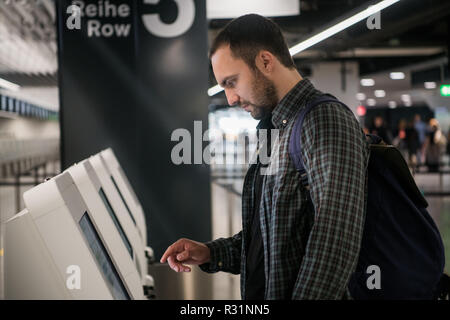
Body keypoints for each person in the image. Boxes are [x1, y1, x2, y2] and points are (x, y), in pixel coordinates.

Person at [160, 14, 369, 300]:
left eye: (231, 82)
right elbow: (269, 241)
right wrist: (210, 252)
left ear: (265, 62)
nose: (230, 98)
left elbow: (334, 244)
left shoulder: (325, 120)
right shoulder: (275, 130)